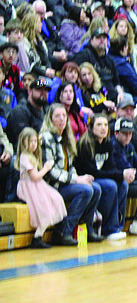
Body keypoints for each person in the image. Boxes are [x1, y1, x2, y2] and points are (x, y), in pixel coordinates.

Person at [42, 103, 104, 246]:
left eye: (64, 116)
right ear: (50, 119)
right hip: (51, 186)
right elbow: (51, 171)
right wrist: (76, 179)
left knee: (96, 188)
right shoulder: (46, 138)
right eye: (57, 116)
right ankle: (63, 231)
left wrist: (79, 179)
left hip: (65, 183)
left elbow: (70, 167)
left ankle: (88, 230)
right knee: (86, 190)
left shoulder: (66, 137)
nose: (62, 119)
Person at [73, 114, 129, 241]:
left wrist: (123, 175)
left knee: (123, 184)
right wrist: (119, 174)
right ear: (91, 127)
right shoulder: (85, 144)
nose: (103, 128)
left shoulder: (107, 143)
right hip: (84, 179)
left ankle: (118, 226)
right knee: (110, 185)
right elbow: (92, 171)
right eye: (99, 125)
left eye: (105, 125)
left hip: (99, 177)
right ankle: (109, 229)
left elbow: (111, 167)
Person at [15, 127, 67, 249]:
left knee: (56, 199)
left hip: (37, 186)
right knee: (45, 209)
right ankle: (37, 237)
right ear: (24, 143)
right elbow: (35, 177)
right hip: (30, 187)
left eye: (35, 142)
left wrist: (38, 139)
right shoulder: (25, 157)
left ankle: (42, 235)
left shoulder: (30, 155)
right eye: (31, 142)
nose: (34, 145)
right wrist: (46, 168)